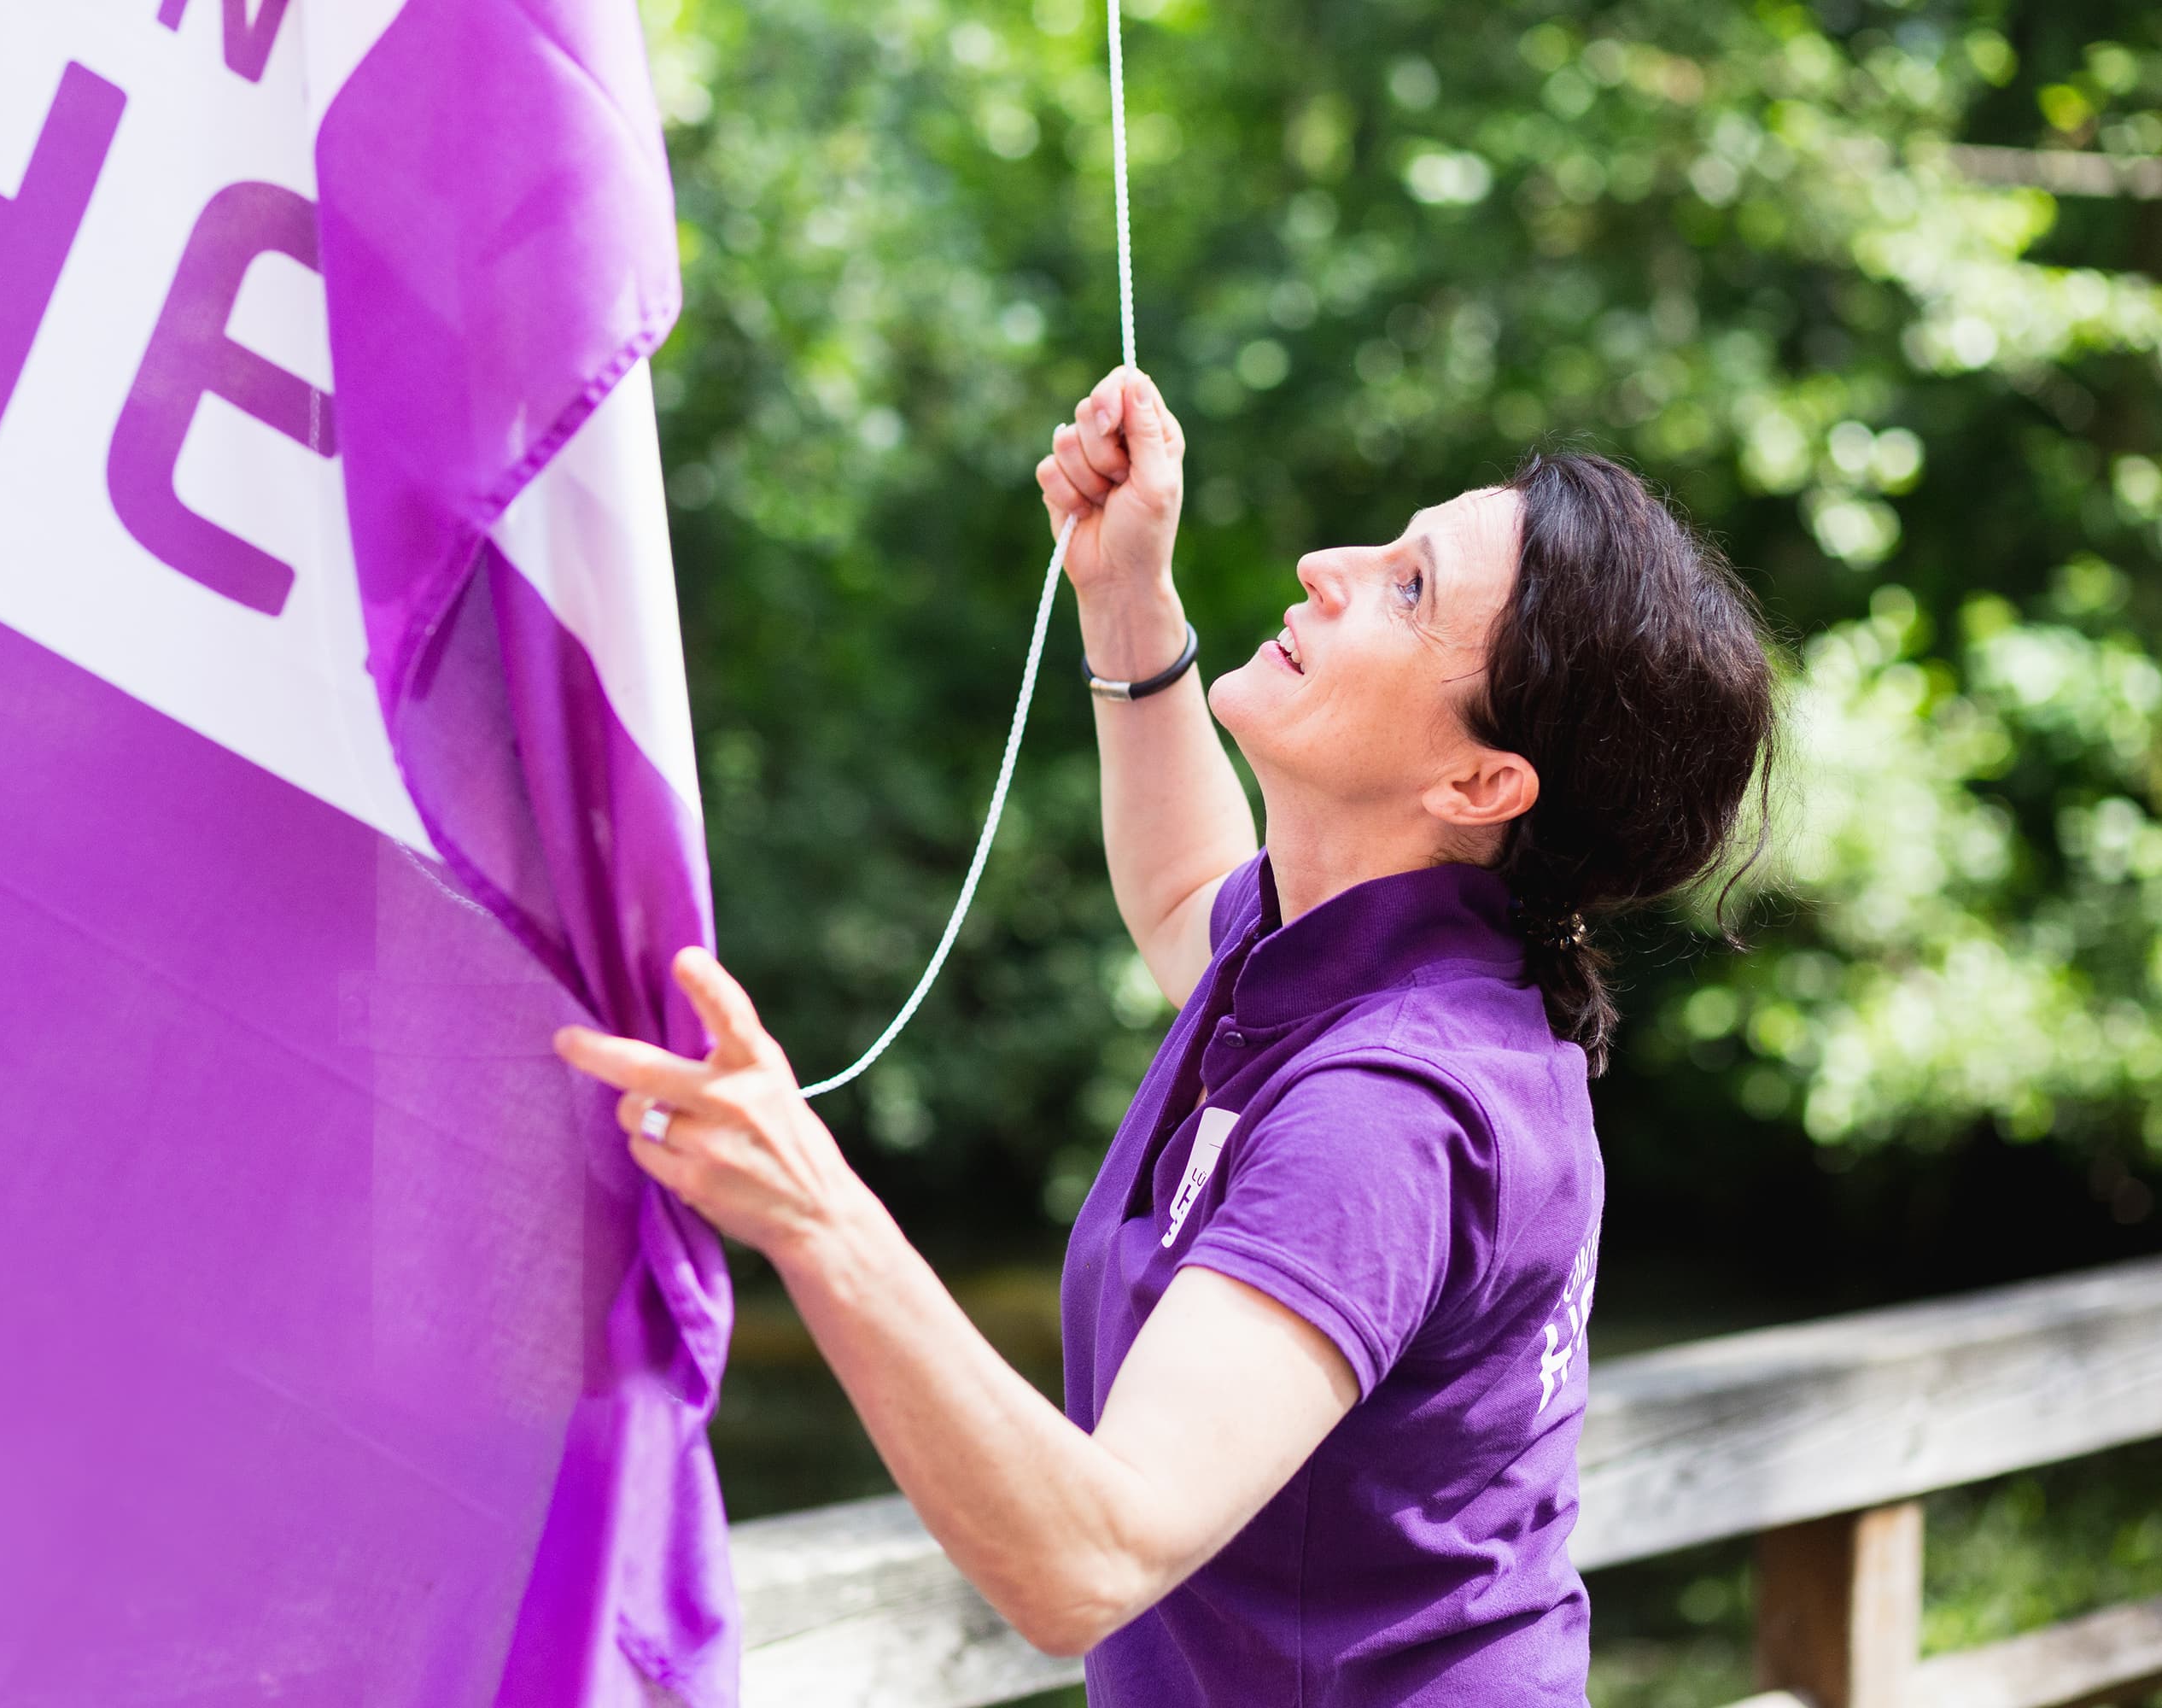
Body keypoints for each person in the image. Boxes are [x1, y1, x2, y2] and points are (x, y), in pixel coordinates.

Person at [556, 366, 1776, 1705]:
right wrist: (1126, 594)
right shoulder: (1350, 949)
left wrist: (811, 1210)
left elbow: (1089, 1557)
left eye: (1411, 587)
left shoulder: (1391, 1111)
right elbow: (1180, 896)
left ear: (1482, 781)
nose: (1327, 565)